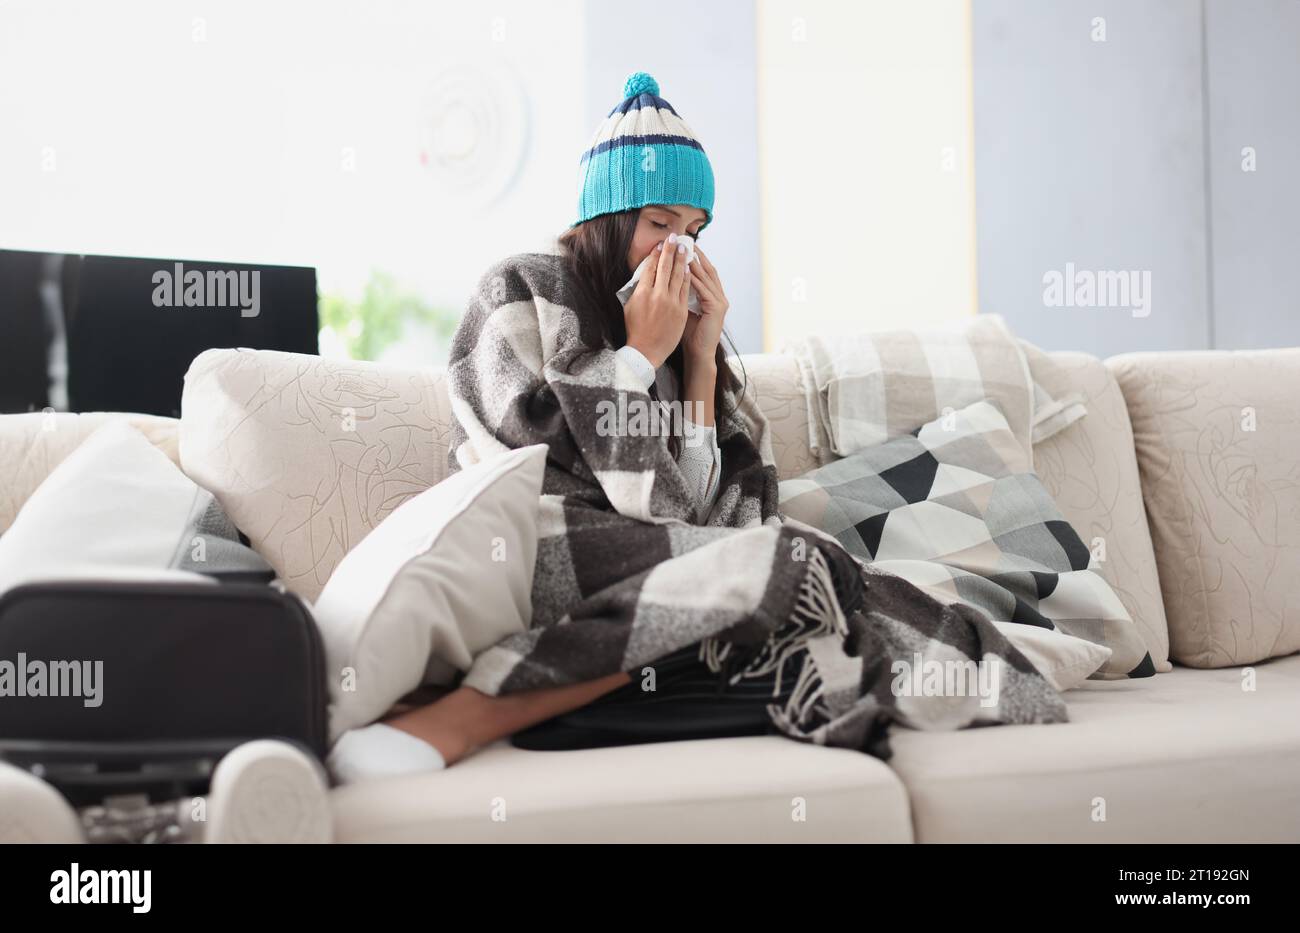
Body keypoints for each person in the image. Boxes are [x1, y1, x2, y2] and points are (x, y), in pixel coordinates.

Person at [327, 71, 854, 784]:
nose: (680, 251)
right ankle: (462, 718)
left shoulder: (682, 336)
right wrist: (633, 357)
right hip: (539, 534)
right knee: (772, 567)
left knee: (798, 564)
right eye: (660, 224)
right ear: (607, 219)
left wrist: (697, 359)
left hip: (654, 553)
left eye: (695, 231)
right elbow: (523, 443)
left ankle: (543, 701)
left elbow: (690, 511)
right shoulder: (522, 285)